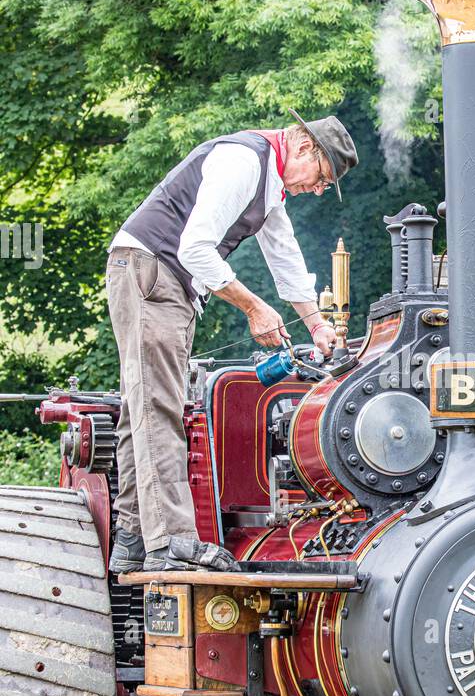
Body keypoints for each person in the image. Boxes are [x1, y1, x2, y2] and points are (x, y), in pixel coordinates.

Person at [105, 110, 358, 573]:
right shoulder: (243, 161)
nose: (316, 190)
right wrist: (253, 308)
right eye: (321, 178)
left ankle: (133, 536)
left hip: (161, 280)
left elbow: (286, 260)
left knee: (141, 407)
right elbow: (194, 249)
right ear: (303, 147)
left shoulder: (269, 185)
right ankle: (173, 542)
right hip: (152, 273)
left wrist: (318, 326)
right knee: (159, 408)